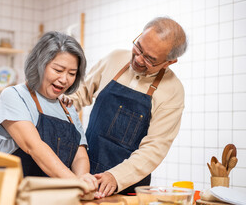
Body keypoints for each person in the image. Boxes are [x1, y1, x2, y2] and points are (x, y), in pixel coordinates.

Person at [63, 17, 188, 197]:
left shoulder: (173, 91)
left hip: (127, 186)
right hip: (85, 171)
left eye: (150, 59)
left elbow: (154, 148)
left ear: (169, 62)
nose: (138, 59)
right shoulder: (115, 58)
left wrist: (116, 176)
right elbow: (80, 93)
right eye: (138, 47)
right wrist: (63, 102)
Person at [0, 31, 97, 193]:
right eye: (58, 70)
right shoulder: (14, 96)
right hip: (16, 196)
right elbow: (34, 146)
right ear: (40, 64)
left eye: (72, 74)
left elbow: (80, 154)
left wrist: (83, 178)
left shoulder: (67, 107)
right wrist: (75, 183)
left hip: (57, 197)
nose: (64, 79)